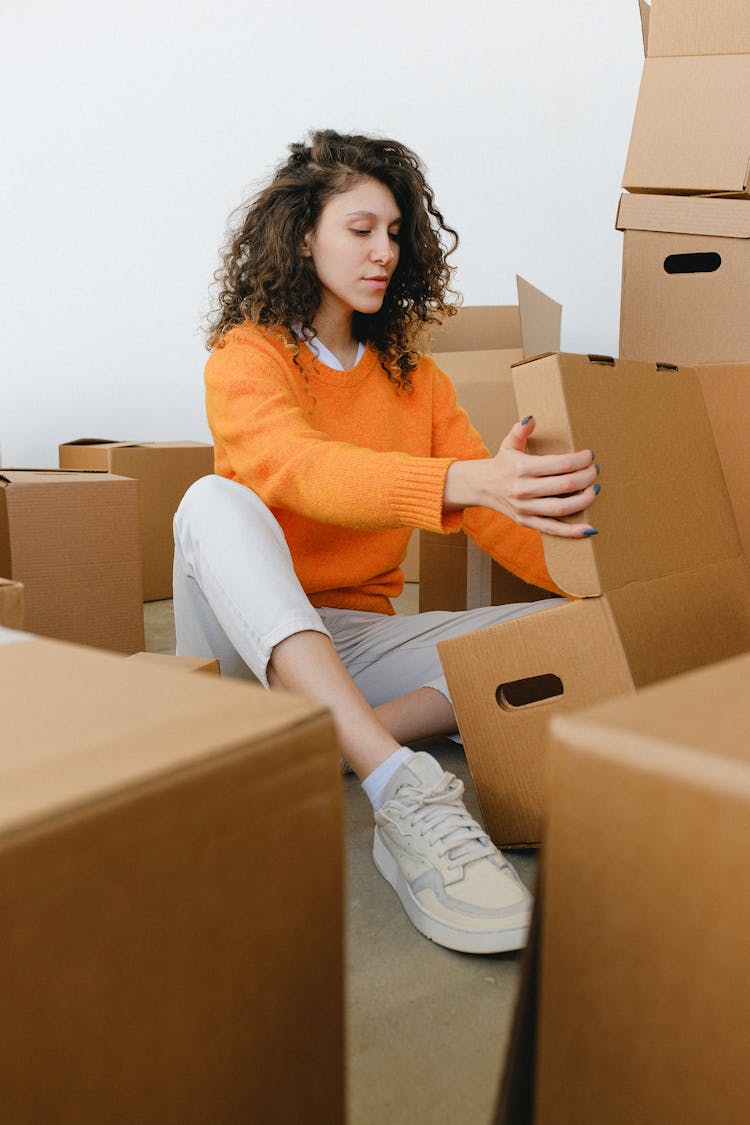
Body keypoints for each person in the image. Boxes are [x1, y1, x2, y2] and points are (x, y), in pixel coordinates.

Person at [173, 130, 599, 955]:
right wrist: (460, 481)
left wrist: (606, 586)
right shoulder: (247, 356)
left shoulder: (418, 380)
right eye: (360, 229)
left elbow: (496, 511)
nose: (383, 251)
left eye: (396, 232)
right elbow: (296, 468)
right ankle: (396, 779)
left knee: (570, 638)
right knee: (211, 501)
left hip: (358, 638)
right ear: (305, 236)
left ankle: (323, 732)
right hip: (248, 637)